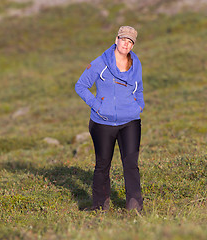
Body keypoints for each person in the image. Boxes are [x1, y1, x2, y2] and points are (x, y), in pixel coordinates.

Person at [75, 26, 145, 211]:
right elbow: (81, 86)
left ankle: (134, 206)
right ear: (116, 40)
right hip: (102, 123)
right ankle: (99, 206)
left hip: (130, 122)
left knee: (131, 164)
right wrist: (98, 106)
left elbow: (139, 88)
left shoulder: (136, 62)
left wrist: (139, 106)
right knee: (102, 165)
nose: (126, 44)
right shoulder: (100, 63)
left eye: (130, 42)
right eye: (123, 39)